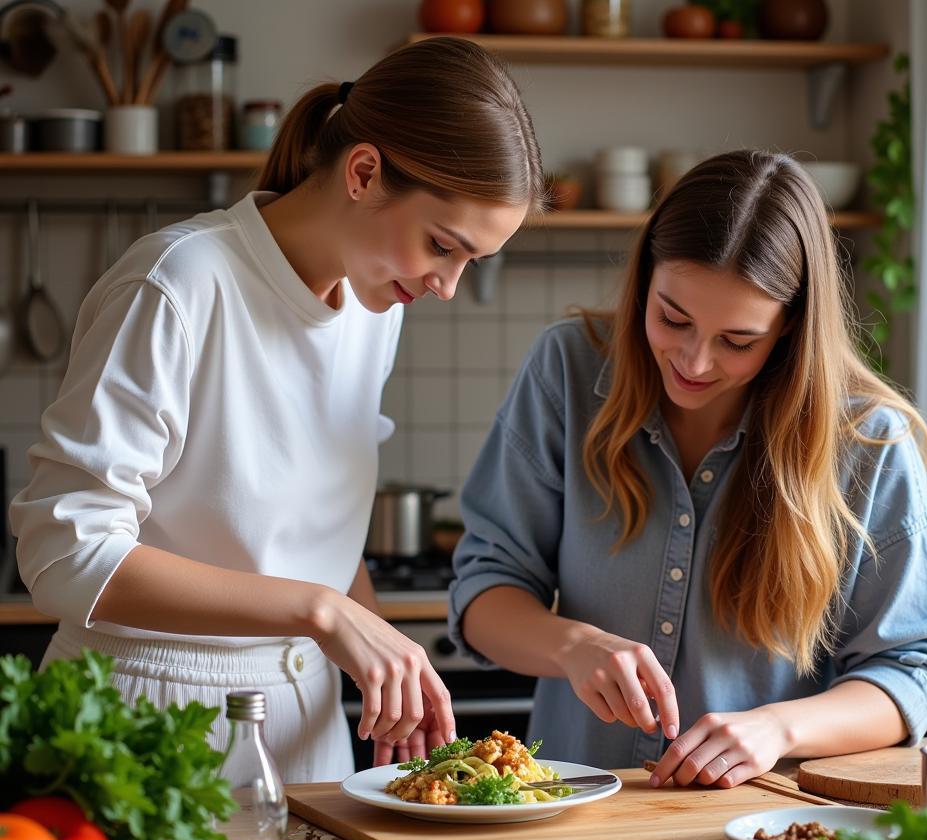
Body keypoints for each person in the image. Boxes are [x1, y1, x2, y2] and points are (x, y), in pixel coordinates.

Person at [10, 37, 545, 783]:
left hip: (307, 725)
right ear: (363, 172)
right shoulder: (179, 284)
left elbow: (310, 531)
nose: (446, 285)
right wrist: (323, 613)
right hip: (145, 723)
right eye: (441, 246)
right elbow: (65, 553)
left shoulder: (372, 307)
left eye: (469, 263)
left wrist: (383, 654)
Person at [450, 149, 927, 789]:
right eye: (673, 318)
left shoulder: (864, 441)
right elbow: (483, 592)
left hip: (757, 823)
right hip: (570, 805)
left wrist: (778, 728)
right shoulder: (568, 372)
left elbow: (912, 670)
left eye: (737, 341)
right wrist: (571, 646)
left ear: (790, 330)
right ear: (645, 283)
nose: (693, 361)